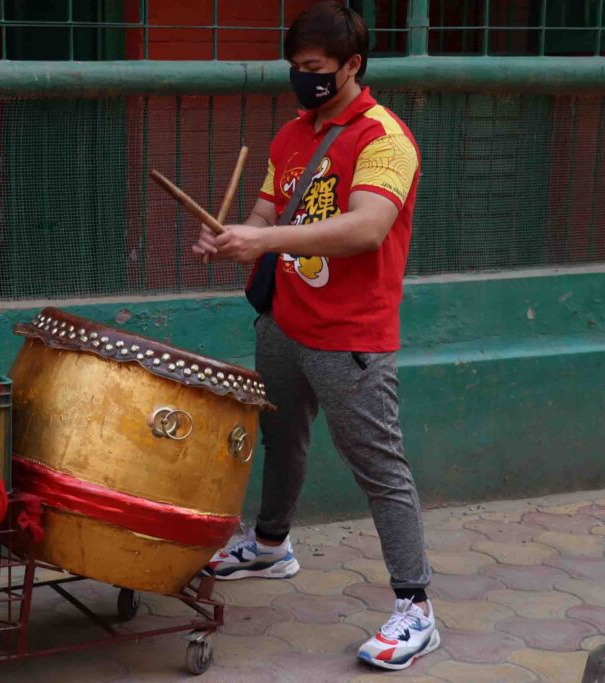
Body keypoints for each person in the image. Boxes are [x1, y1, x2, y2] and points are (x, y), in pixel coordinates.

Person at [193, 2, 438, 672]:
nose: (304, 80)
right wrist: (232, 239)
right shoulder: (290, 137)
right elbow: (266, 212)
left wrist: (264, 237)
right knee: (281, 437)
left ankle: (416, 608)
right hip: (284, 322)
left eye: (316, 69)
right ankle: (271, 544)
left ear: (352, 65)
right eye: (296, 68)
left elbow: (365, 228)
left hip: (350, 336)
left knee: (380, 467)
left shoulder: (385, 139)